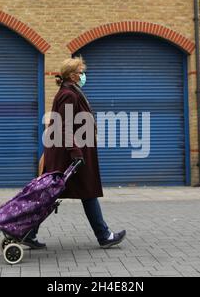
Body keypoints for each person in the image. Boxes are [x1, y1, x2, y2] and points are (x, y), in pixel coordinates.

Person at [22, 56, 126, 250]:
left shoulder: (70, 92)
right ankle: (104, 235)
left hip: (69, 153)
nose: (83, 75)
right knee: (81, 193)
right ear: (72, 75)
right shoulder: (69, 95)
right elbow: (65, 126)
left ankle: (28, 233)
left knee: (63, 194)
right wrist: (76, 153)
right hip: (69, 156)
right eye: (80, 72)